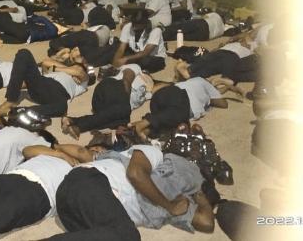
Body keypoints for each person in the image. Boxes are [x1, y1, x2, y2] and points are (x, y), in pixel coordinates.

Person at [46, 143, 216, 240]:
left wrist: (199, 193)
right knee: (128, 236)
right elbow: (135, 174)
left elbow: (207, 223)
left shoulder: (180, 197)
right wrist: (169, 206)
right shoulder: (152, 153)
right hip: (90, 182)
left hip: (74, 214)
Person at [61, 64, 154, 138]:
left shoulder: (148, 92)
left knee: (121, 125)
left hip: (108, 109)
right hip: (111, 87)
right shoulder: (136, 68)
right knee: (124, 113)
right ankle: (80, 126)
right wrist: (125, 106)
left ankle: (71, 121)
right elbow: (126, 81)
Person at [0, 49, 88, 117]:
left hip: (60, 94)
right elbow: (45, 62)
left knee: (62, 108)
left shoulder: (82, 83)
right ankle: (11, 100)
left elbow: (79, 72)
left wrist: (54, 68)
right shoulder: (59, 70)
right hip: (42, 84)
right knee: (24, 53)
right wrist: (61, 68)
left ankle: (13, 112)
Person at [132, 77, 228, 137]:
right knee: (178, 115)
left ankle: (140, 130)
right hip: (180, 99)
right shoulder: (205, 84)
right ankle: (143, 124)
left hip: (161, 97)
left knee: (170, 126)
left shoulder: (193, 80)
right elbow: (223, 104)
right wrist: (214, 94)